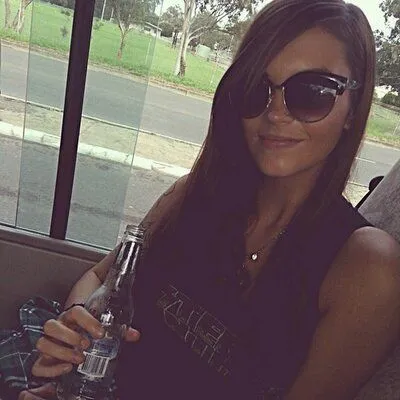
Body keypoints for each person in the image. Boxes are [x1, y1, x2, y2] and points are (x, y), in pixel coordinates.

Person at [21, 0, 400, 399]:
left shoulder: (366, 268)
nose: (276, 113)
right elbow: (101, 278)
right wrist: (73, 338)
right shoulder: (193, 195)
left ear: (353, 108)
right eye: (255, 88)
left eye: (312, 93)